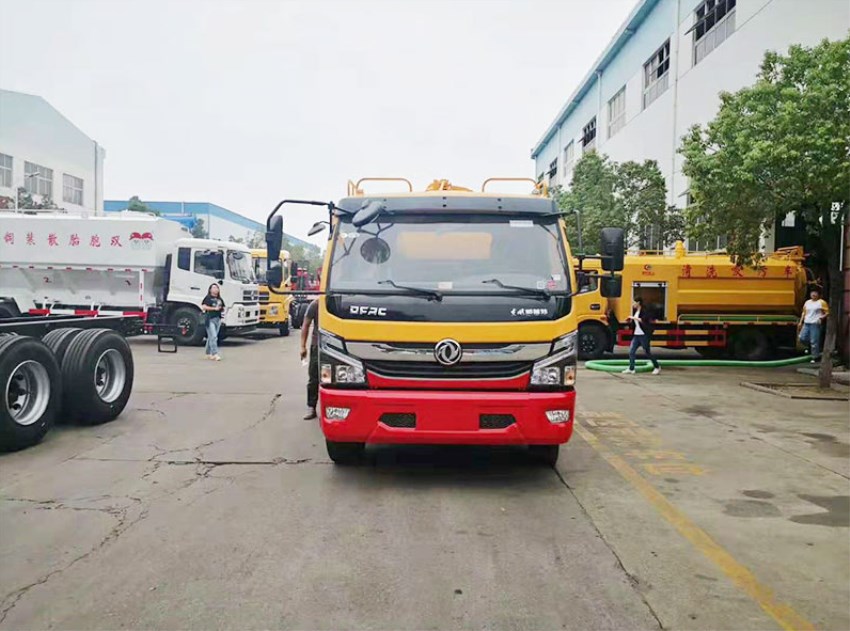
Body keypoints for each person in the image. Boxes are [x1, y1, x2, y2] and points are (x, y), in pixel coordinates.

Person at [622, 296, 661, 375]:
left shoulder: (644, 310)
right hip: (636, 334)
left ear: (638, 303)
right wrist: (630, 322)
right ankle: (631, 369)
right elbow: (635, 322)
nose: (633, 304)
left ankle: (657, 367)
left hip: (644, 335)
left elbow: (643, 320)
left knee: (647, 352)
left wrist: (633, 318)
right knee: (631, 351)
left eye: (634, 302)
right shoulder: (635, 311)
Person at [300, 298, 319, 419]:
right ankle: (311, 407)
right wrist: (303, 346)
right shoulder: (316, 305)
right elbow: (305, 325)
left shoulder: (339, 302)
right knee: (314, 377)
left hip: (337, 345)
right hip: (317, 346)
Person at [799, 289, 829, 363]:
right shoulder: (807, 302)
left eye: (815, 293)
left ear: (818, 295)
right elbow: (804, 313)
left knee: (814, 341)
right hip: (806, 322)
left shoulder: (821, 302)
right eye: (812, 293)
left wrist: (821, 317)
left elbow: (827, 312)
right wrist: (800, 322)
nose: (813, 294)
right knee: (802, 338)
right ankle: (810, 347)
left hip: (815, 323)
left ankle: (815, 357)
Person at [201, 283, 225, 361]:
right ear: (210, 290)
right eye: (213, 288)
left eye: (217, 288)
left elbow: (223, 307)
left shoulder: (219, 299)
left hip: (217, 319)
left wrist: (222, 310)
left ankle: (208, 353)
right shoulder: (208, 298)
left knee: (211, 337)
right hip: (210, 319)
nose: (215, 289)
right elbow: (204, 307)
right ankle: (215, 353)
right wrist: (214, 308)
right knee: (214, 336)